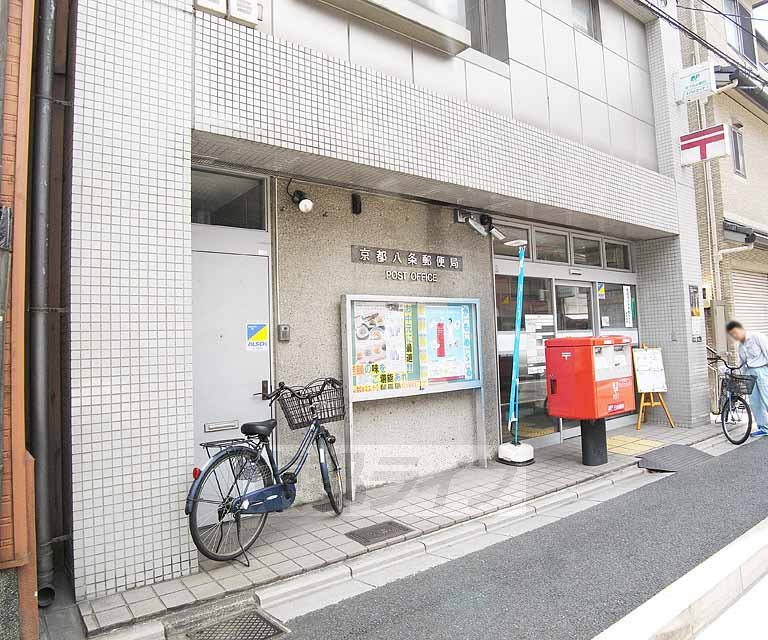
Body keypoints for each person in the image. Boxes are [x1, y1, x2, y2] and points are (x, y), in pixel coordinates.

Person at [726, 320, 768, 437]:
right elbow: (742, 363)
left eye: (735, 332)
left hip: (762, 371)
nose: (735, 336)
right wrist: (736, 373)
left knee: (766, 399)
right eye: (732, 334)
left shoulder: (757, 337)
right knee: (754, 402)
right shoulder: (741, 346)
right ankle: (764, 428)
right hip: (749, 373)